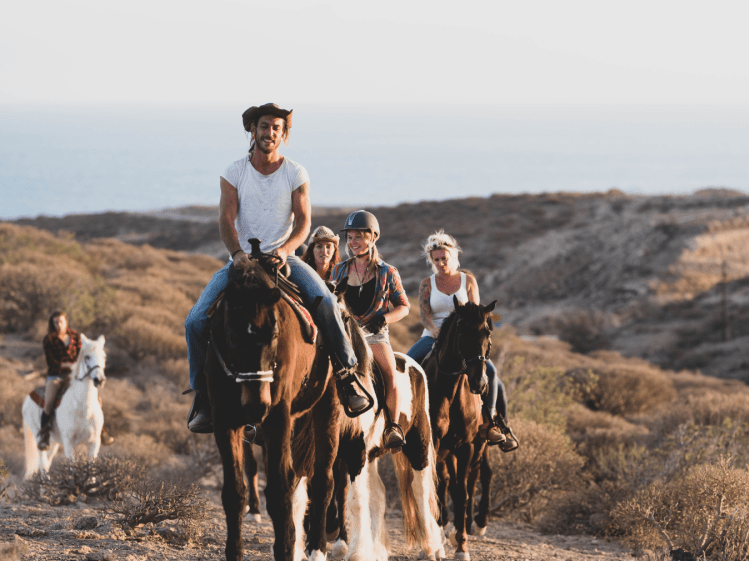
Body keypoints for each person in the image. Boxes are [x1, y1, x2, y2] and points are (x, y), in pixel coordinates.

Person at [184, 103, 372, 433]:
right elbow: (226, 219)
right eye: (263, 126)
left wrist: (286, 250)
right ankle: (203, 397)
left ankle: (347, 377)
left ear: (283, 135)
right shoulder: (234, 172)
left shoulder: (295, 173)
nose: (269, 132)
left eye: (276, 128)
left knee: (327, 303)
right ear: (252, 132)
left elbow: (304, 222)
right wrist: (237, 253)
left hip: (286, 259)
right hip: (241, 262)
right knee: (195, 320)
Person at [406, 231, 516, 450]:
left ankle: (492, 423)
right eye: (435, 259)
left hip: (465, 338)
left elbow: (476, 313)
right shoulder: (427, 284)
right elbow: (424, 314)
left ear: (452, 256)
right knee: (408, 364)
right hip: (434, 336)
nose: (440, 263)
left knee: (491, 372)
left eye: (443, 258)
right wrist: (436, 331)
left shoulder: (468, 280)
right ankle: (403, 421)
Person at [332, 211, 410, 449]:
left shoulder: (388, 272)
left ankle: (392, 427)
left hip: (374, 335)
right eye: (350, 237)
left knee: (390, 375)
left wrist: (383, 319)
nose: (353, 242)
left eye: (359, 237)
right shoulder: (339, 270)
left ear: (373, 238)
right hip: (344, 334)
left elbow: (404, 307)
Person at [37, 311, 81, 450]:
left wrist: (77, 366)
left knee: (93, 395)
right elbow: (51, 361)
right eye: (56, 322)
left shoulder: (76, 336)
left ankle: (102, 430)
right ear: (52, 323)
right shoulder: (49, 339)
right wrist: (66, 365)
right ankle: (44, 436)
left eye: (61, 321)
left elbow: (82, 353)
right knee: (49, 402)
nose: (59, 325)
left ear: (66, 322)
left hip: (74, 375)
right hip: (56, 376)